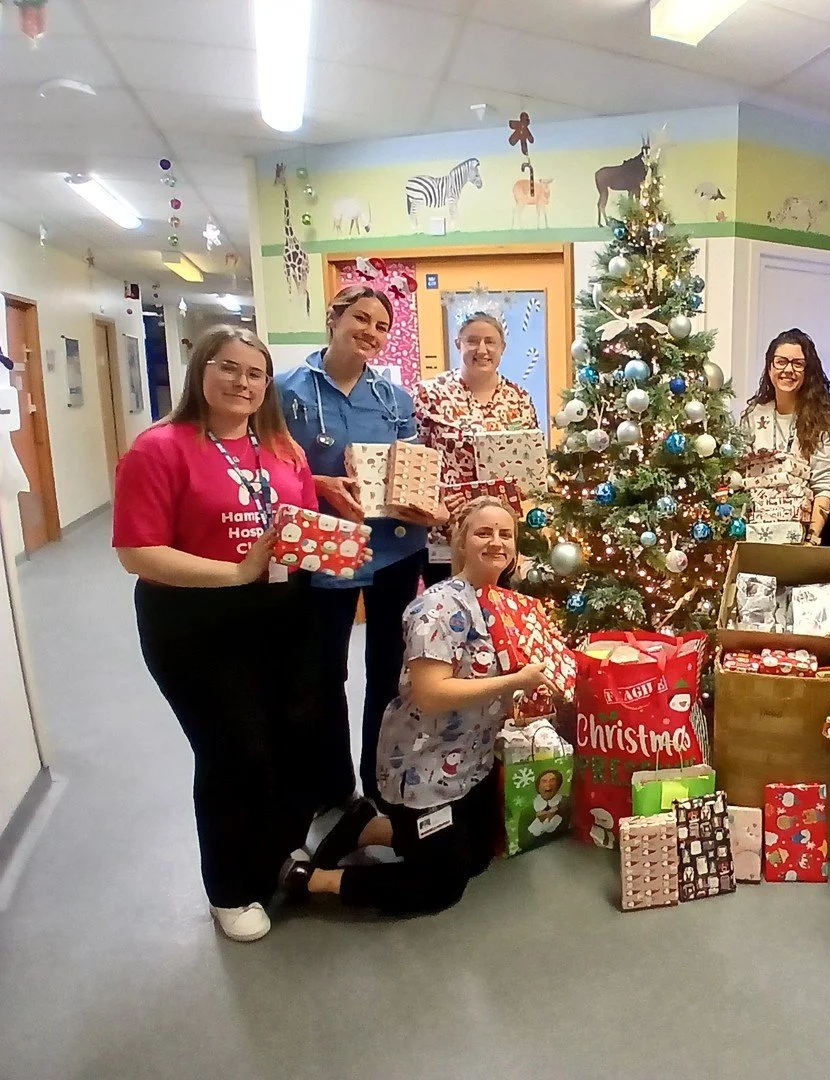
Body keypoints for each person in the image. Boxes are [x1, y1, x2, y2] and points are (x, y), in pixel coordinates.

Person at [113, 325, 320, 943]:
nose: (242, 382)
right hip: (194, 623)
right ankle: (230, 887)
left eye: (255, 373)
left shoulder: (281, 448)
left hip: (283, 613)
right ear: (200, 370)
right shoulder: (159, 448)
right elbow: (138, 552)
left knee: (288, 742)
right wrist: (235, 573)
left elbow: (301, 521)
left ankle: (279, 855)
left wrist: (326, 545)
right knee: (235, 753)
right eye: (228, 368)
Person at [279, 497, 557, 916]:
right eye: (483, 532)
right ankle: (315, 880)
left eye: (506, 534)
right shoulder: (438, 608)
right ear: (459, 543)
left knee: (478, 858)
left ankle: (369, 828)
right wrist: (517, 681)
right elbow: (431, 693)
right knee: (442, 885)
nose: (496, 542)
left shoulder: (506, 606)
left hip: (473, 760)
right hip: (425, 763)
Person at [277, 285, 444, 807]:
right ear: (334, 318)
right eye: (361, 318)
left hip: (395, 545)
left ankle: (380, 782)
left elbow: (411, 464)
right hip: (325, 544)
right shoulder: (287, 391)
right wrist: (318, 484)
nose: (370, 332)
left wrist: (427, 504)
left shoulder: (393, 397)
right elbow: (269, 465)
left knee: (388, 669)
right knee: (325, 671)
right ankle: (332, 788)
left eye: (381, 326)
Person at [415, 311, 539, 584]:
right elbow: (415, 459)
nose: (481, 349)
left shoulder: (519, 399)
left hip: (499, 535)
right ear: (458, 344)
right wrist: (433, 502)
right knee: (447, 612)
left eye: (490, 342)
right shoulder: (430, 394)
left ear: (502, 348)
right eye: (472, 341)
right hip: (445, 532)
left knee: (494, 612)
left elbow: (531, 464)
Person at [738, 328, 830, 544]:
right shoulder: (753, 415)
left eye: (798, 364)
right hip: (756, 532)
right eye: (781, 361)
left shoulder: (826, 419)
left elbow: (825, 482)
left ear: (808, 371)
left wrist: (812, 537)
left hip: (803, 532)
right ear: (769, 368)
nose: (788, 370)